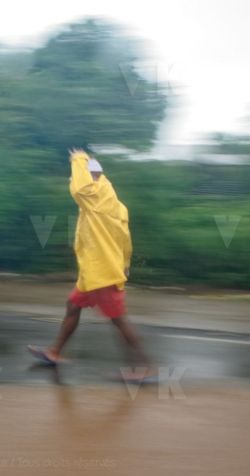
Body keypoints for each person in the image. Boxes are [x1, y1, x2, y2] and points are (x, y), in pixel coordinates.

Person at [28, 148, 155, 382]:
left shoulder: (95, 197)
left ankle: (145, 367)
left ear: (91, 177)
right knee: (73, 306)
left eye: (79, 175)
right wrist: (125, 263)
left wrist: (78, 158)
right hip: (96, 272)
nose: (74, 180)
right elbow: (125, 241)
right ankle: (54, 352)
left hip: (101, 274)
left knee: (119, 320)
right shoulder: (115, 204)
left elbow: (79, 188)